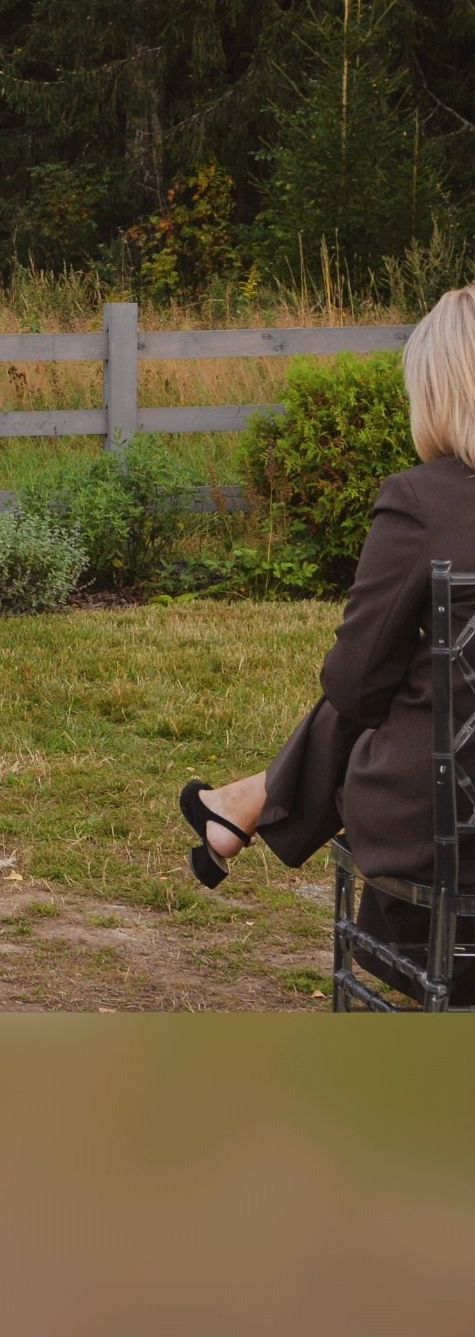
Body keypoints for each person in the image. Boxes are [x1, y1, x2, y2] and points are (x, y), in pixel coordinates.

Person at [178, 283, 475, 892]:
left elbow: (353, 685)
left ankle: (247, 803)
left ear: (439, 390)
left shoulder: (422, 501)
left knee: (383, 672)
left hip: (443, 819)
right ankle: (239, 807)